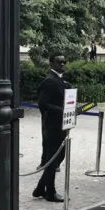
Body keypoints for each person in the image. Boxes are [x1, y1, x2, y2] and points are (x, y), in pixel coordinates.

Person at [33, 53, 69, 202]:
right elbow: (43, 104)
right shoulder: (49, 81)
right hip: (53, 125)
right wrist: (61, 110)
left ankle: (41, 188)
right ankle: (50, 192)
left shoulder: (60, 80)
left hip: (61, 124)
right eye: (59, 62)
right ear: (52, 64)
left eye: (64, 62)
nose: (62, 65)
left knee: (58, 156)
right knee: (53, 157)